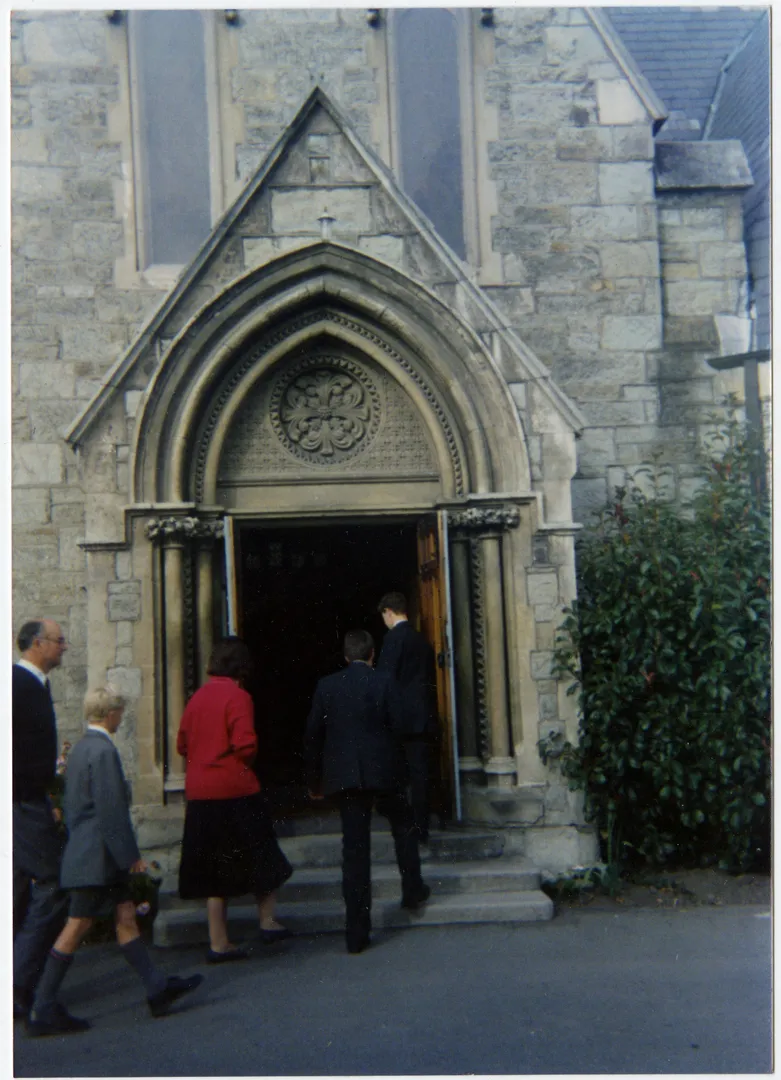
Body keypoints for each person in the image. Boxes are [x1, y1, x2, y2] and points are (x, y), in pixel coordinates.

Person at [26, 686, 203, 1036]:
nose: (122, 717)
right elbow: (111, 813)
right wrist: (131, 857)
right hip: (98, 857)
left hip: (88, 853)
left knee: (125, 917)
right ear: (110, 713)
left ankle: (157, 988)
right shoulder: (104, 752)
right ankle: (42, 1008)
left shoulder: (80, 749)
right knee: (77, 925)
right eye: (120, 711)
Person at [304, 629, 430, 954]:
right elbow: (398, 725)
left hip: (347, 777)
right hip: (383, 772)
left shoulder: (327, 686)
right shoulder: (384, 682)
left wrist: (313, 780)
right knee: (403, 826)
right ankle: (413, 888)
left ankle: (356, 933)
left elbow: (313, 735)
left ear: (345, 656)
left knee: (355, 851)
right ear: (372, 655)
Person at [177, 637, 293, 962]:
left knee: (214, 869)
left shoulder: (196, 698)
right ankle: (267, 921)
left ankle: (218, 941)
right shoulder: (238, 696)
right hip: (234, 788)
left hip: (201, 793)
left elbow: (182, 745)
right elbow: (245, 744)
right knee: (262, 853)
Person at [13, 619, 71, 1021]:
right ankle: (19, 983)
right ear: (38, 643)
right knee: (51, 885)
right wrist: (32, 792)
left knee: (18, 887)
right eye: (58, 640)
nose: (64, 647)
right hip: (21, 802)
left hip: (28, 797)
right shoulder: (19, 685)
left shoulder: (32, 684)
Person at [376, 592, 437, 842]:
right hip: (422, 719)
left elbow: (385, 680)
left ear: (389, 612)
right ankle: (421, 827)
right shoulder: (421, 640)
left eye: (384, 617)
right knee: (420, 776)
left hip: (400, 720)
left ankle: (404, 827)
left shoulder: (393, 639)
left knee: (397, 775)